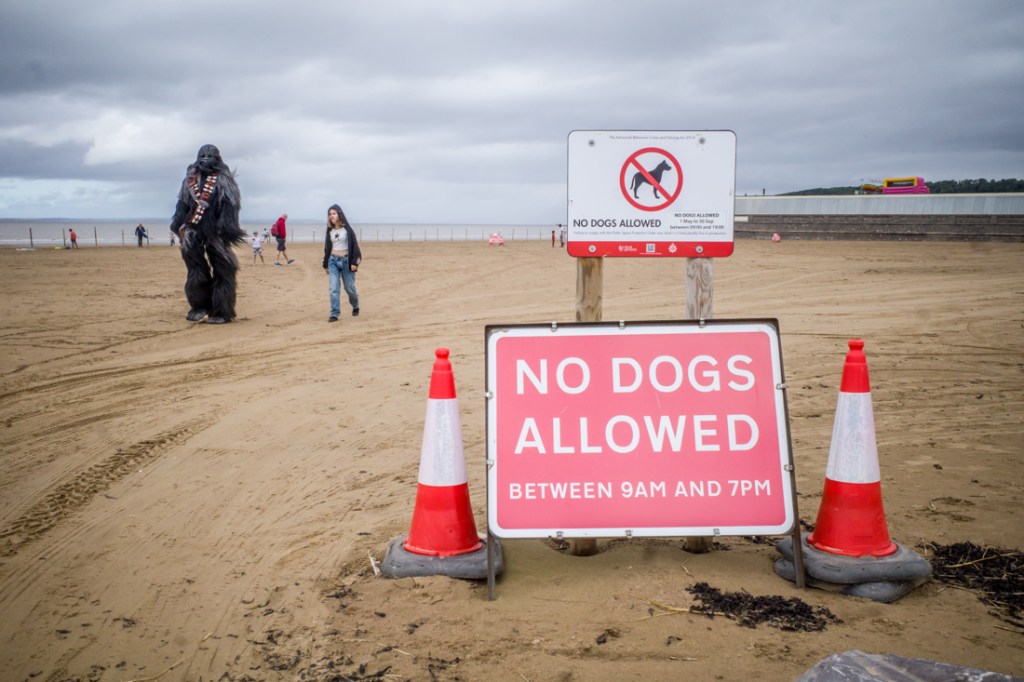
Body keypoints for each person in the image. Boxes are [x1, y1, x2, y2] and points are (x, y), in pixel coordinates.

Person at [169, 144, 245, 324]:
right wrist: (177, 225)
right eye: (202, 156)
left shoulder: (223, 180)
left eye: (209, 156)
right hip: (194, 230)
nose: (205, 159)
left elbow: (230, 207)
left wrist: (226, 229)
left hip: (215, 232)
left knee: (223, 270)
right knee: (196, 269)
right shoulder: (190, 180)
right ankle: (200, 305)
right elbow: (183, 204)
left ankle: (220, 310)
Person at [321, 204, 361, 322]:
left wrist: (355, 263)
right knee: (333, 288)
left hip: (346, 261)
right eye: (330, 214)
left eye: (334, 213)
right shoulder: (329, 230)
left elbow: (355, 246)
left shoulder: (347, 229)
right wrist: (325, 263)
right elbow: (327, 247)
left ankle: (355, 305)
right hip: (332, 261)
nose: (331, 216)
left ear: (339, 214)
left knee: (349, 288)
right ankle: (334, 314)